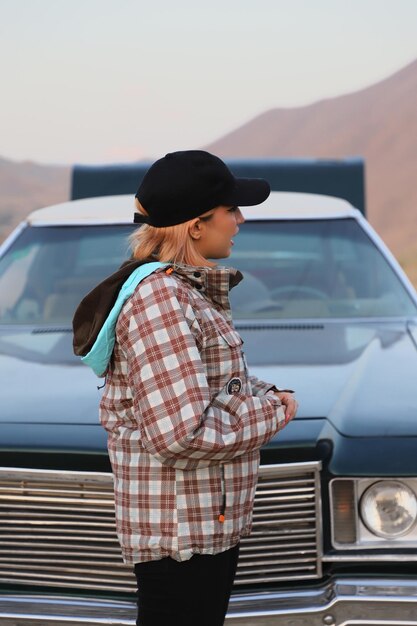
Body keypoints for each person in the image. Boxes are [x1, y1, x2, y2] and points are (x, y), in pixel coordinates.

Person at [73, 150, 298, 626]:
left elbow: (217, 382)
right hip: (181, 537)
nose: (239, 220)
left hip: (198, 526)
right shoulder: (161, 301)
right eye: (230, 210)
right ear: (196, 225)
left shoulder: (182, 293)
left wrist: (269, 392)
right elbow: (182, 433)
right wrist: (276, 411)